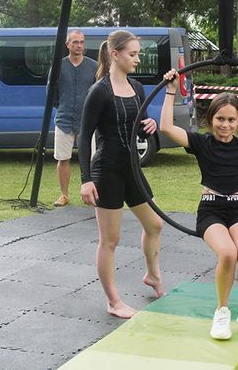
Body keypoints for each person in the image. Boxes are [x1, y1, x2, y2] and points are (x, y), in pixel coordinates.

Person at [161, 68, 238, 340]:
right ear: (211, 119)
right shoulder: (202, 143)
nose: (225, 124)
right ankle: (221, 313)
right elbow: (166, 128)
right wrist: (171, 91)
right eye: (220, 119)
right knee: (229, 254)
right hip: (210, 209)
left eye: (231, 120)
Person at [78, 31, 164, 319]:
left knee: (154, 225)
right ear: (115, 54)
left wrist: (148, 124)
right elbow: (84, 135)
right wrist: (86, 179)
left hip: (132, 170)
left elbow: (136, 124)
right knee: (110, 240)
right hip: (107, 171)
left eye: (138, 54)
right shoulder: (99, 91)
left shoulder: (137, 88)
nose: (138, 59)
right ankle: (113, 301)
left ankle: (152, 274)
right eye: (133, 54)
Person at [52, 29, 97, 207]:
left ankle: (92, 194)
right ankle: (64, 195)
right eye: (75, 42)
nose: (79, 46)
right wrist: (63, 106)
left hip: (87, 122)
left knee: (92, 159)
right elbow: (52, 92)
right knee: (63, 158)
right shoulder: (58, 65)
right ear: (67, 44)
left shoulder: (94, 66)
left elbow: (98, 92)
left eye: (82, 42)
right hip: (64, 120)